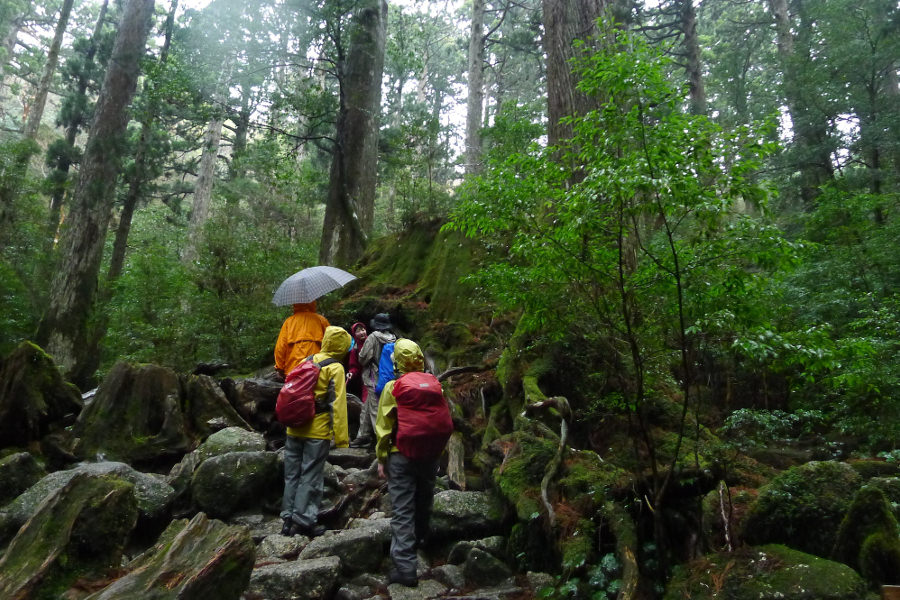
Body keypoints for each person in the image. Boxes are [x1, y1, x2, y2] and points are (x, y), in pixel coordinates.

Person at [375, 339, 451, 588]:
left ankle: (406, 568)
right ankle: (420, 541)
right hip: (430, 453)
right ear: (419, 358)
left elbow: (384, 428)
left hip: (401, 454)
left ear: (396, 361)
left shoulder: (392, 387)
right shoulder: (434, 384)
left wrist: (381, 458)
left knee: (402, 509)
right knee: (424, 499)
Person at [280, 325, 351, 537]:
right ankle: (304, 521)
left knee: (291, 475)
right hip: (317, 431)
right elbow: (338, 405)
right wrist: (342, 439)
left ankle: (287, 519)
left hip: (294, 428)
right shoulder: (335, 368)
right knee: (310, 475)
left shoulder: (306, 360)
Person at [350, 313, 396, 448]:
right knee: (367, 406)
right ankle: (363, 435)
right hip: (388, 376)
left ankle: (382, 441)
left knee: (376, 409)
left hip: (373, 376)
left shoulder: (373, 337)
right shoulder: (392, 338)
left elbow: (363, 358)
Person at [274, 301, 330, 378]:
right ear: (313, 303)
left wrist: (279, 368)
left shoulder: (289, 322)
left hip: (293, 370)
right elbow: (331, 342)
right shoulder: (321, 320)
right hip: (318, 368)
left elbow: (280, 348)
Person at [346, 322, 367, 401]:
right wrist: (351, 373)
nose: (361, 333)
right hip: (365, 377)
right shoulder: (355, 349)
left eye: (363, 330)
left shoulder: (373, 342)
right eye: (358, 331)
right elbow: (354, 366)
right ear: (354, 334)